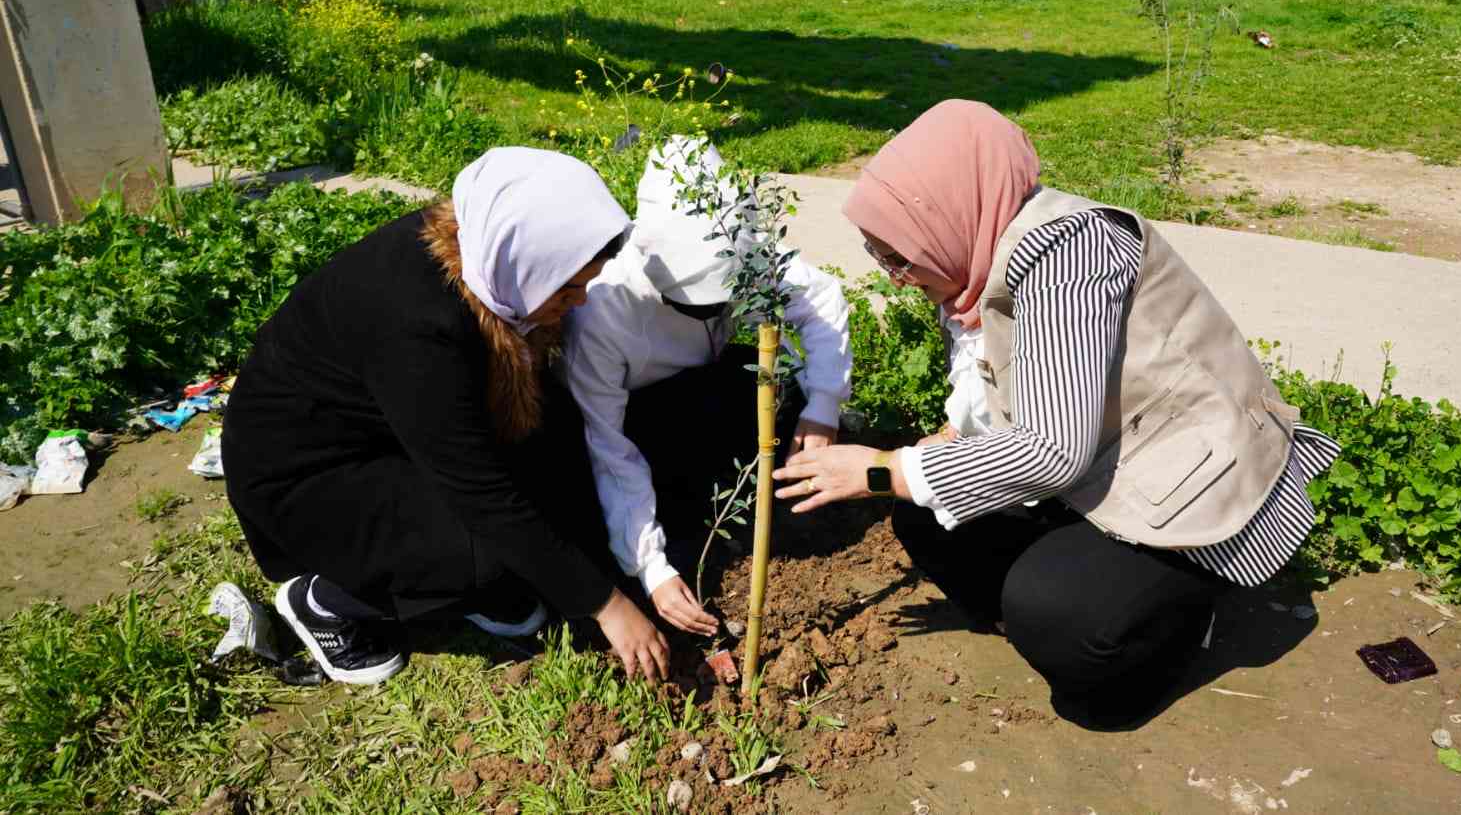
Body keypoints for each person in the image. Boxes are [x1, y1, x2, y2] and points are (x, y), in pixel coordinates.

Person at [774, 100, 1340, 723]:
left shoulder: (1069, 258)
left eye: (899, 257)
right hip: (1106, 458)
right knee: (928, 519)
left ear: (947, 213)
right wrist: (927, 455)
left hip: (1191, 479)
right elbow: (990, 390)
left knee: (1065, 635)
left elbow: (1052, 450)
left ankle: (1184, 613)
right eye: (880, 256)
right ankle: (1082, 598)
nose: (895, 277)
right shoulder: (974, 254)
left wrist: (882, 469)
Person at [223, 148, 673, 685]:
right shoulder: (418, 329)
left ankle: (479, 582)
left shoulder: (486, 257)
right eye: (567, 287)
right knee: (486, 550)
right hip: (310, 479)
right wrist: (606, 605)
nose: (577, 304)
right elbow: (480, 492)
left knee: (552, 470)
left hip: (390, 435)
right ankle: (329, 599)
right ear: (522, 262)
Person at [563, 136, 851, 637]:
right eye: (692, 306)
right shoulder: (603, 314)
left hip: (712, 389)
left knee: (765, 387)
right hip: (642, 422)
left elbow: (819, 297)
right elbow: (609, 447)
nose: (709, 314)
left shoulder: (739, 249)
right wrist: (652, 568)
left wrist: (823, 405)